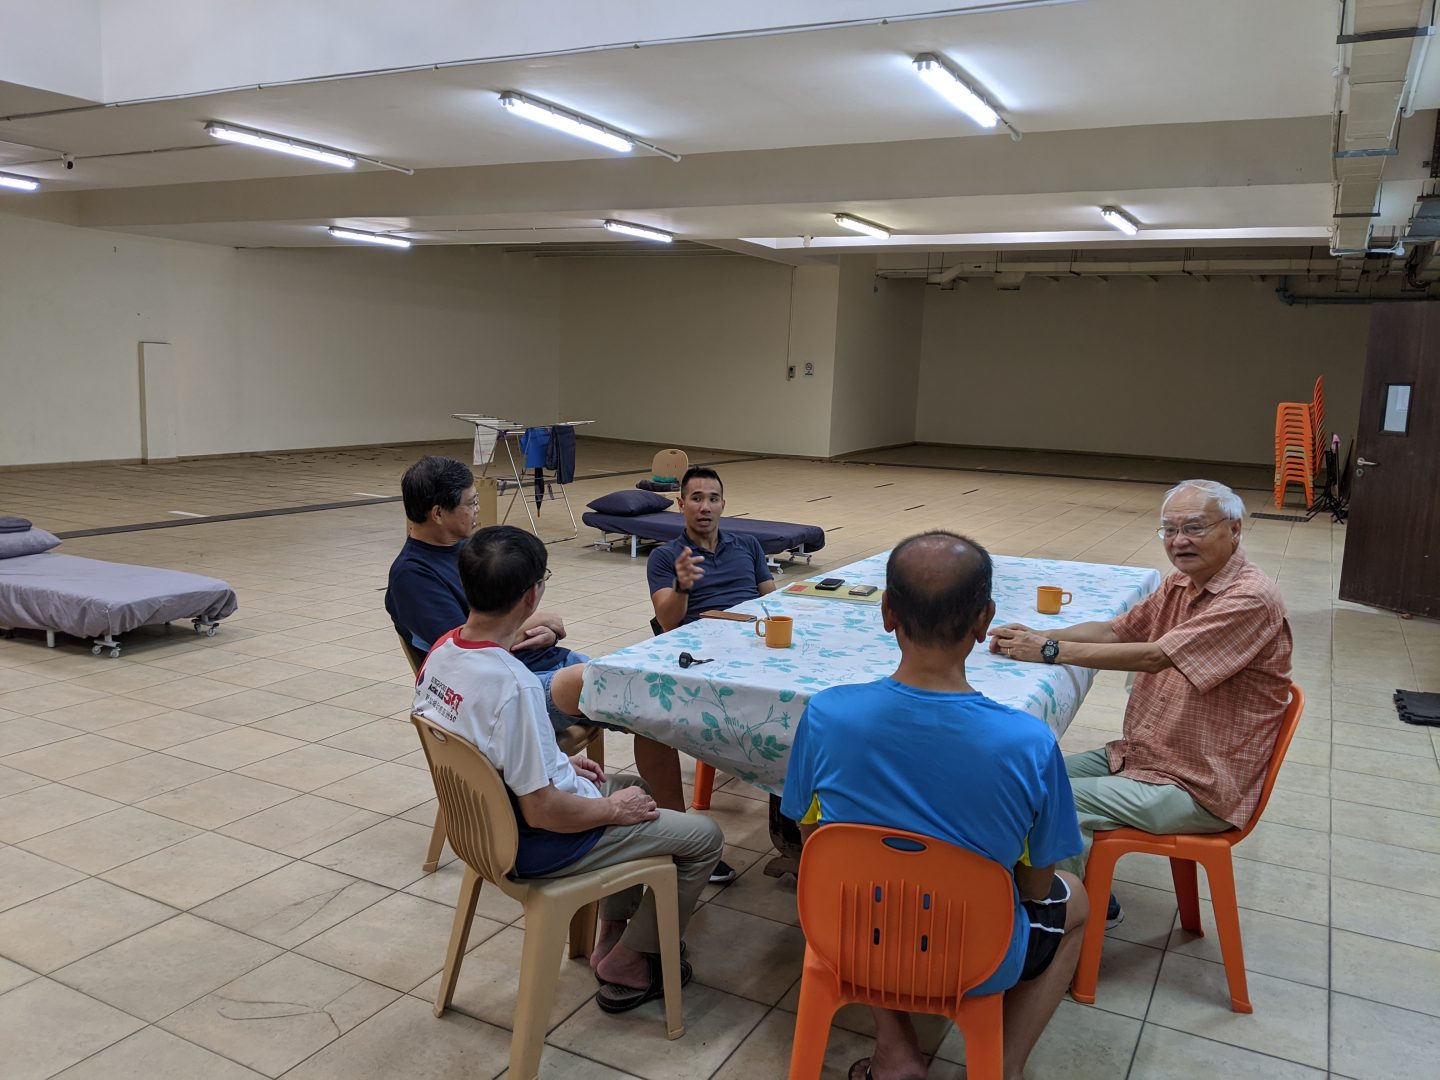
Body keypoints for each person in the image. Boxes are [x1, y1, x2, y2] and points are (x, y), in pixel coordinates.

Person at [782, 532, 1086, 1080]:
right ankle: (1002, 1066)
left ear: (887, 613)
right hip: (974, 953)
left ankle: (894, 1050)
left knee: (865, 878)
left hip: (846, 930)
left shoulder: (826, 715)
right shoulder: (1028, 741)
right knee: (1077, 899)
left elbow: (811, 846)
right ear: (984, 620)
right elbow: (1036, 888)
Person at [412, 525, 724, 1013]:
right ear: (531, 595)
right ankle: (629, 959)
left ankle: (612, 935)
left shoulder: (442, 652)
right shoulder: (512, 684)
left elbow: (489, 753)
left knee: (636, 784)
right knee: (703, 838)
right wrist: (610, 811)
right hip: (537, 839)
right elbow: (543, 811)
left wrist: (558, 760)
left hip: (484, 828)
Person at [988, 479, 1293, 928]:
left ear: (1235, 529)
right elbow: (1117, 631)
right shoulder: (1183, 582)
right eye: (1168, 530)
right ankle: (1029, 891)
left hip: (1197, 783)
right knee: (1024, 777)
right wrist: (1040, 635)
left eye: (1194, 527)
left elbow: (1154, 656)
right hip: (1147, 756)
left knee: (1056, 802)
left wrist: (1051, 652)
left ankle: (1063, 921)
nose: (1179, 541)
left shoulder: (1248, 599)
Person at [386, 455, 689, 817]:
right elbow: (467, 653)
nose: (478, 508)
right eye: (471, 502)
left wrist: (534, 628)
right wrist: (533, 623)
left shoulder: (469, 549)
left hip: (537, 666)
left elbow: (497, 624)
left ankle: (665, 824)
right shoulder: (413, 576)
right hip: (509, 691)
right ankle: (669, 831)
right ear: (438, 513)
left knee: (648, 703)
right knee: (637, 700)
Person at [647, 466, 777, 632]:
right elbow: (667, 623)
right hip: (701, 642)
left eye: (713, 499)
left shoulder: (748, 544)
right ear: (681, 505)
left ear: (722, 505)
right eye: (696, 499)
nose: (705, 508)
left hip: (752, 637)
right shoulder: (665, 556)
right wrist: (681, 587)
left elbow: (770, 603)